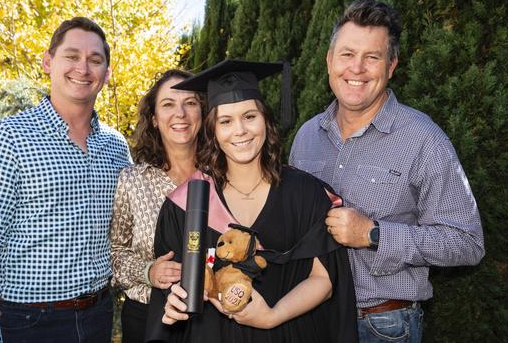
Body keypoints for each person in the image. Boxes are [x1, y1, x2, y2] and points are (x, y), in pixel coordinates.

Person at [289, 0, 485, 343]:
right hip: (309, 321)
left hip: (380, 326)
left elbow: (467, 242)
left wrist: (375, 234)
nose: (357, 68)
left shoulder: (424, 139)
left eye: (372, 57)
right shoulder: (306, 137)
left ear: (391, 66)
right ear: (329, 61)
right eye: (347, 54)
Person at [145, 59, 357, 343]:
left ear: (266, 121)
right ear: (213, 131)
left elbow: (325, 280)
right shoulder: (188, 203)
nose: (240, 130)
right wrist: (174, 301)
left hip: (289, 333)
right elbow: (173, 290)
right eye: (226, 121)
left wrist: (273, 315)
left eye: (249, 116)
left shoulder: (306, 193)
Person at [0, 17, 132, 343]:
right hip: (28, 322)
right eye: (72, 56)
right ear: (47, 61)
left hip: (98, 315)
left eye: (95, 60)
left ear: (106, 75)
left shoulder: (116, 147)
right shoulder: (9, 138)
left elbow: (127, 231)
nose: (83, 68)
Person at [110, 69, 206, 343]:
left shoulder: (222, 176)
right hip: (147, 317)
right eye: (168, 104)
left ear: (202, 111)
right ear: (154, 118)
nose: (181, 114)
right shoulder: (132, 180)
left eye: (190, 103)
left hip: (212, 316)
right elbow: (115, 253)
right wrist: (148, 271)